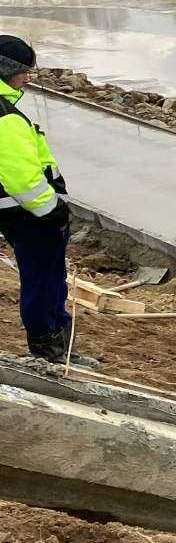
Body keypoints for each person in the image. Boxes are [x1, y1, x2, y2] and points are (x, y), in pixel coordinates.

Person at [0, 34, 79, 363]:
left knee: (46, 278)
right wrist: (53, 211)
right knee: (45, 279)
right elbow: (21, 177)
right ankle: (50, 349)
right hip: (29, 216)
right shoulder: (5, 117)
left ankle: (56, 343)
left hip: (22, 214)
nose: (27, 79)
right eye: (23, 71)